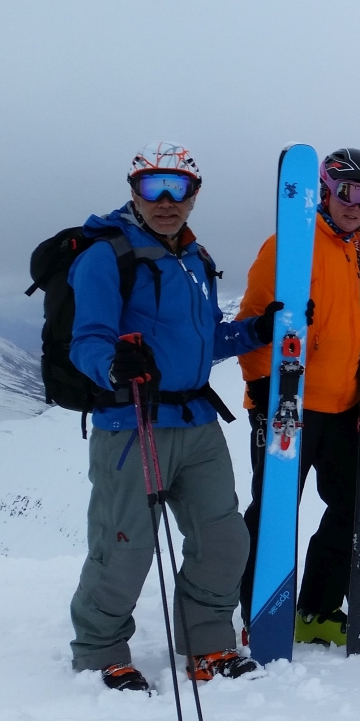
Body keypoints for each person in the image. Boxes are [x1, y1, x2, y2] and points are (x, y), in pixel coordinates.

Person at [66, 142, 270, 690]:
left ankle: (208, 644)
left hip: (197, 422)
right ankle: (100, 652)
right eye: (152, 186)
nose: (165, 200)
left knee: (223, 539)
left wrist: (255, 332)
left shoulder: (196, 258)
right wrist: (114, 364)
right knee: (125, 545)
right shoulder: (106, 255)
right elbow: (85, 340)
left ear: (194, 195)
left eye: (177, 188)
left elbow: (204, 340)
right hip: (133, 423)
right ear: (133, 191)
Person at [236, 148, 360, 646]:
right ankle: (257, 611)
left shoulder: (355, 252)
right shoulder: (289, 244)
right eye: (347, 191)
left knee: (351, 508)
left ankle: (316, 610)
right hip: (289, 406)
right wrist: (262, 387)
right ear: (324, 190)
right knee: (273, 511)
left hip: (342, 408)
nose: (356, 204)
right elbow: (254, 320)